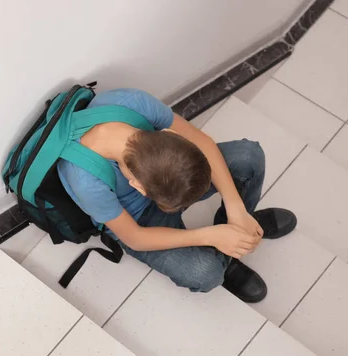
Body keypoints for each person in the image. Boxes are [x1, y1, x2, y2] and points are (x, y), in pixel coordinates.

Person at [58, 88, 296, 303]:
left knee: (248, 156)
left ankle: (238, 226)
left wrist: (236, 207)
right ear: (138, 187)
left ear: (169, 134)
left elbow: (202, 142)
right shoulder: (85, 180)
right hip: (138, 220)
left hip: (161, 185)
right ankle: (226, 255)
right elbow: (134, 237)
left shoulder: (131, 103)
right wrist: (208, 236)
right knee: (206, 273)